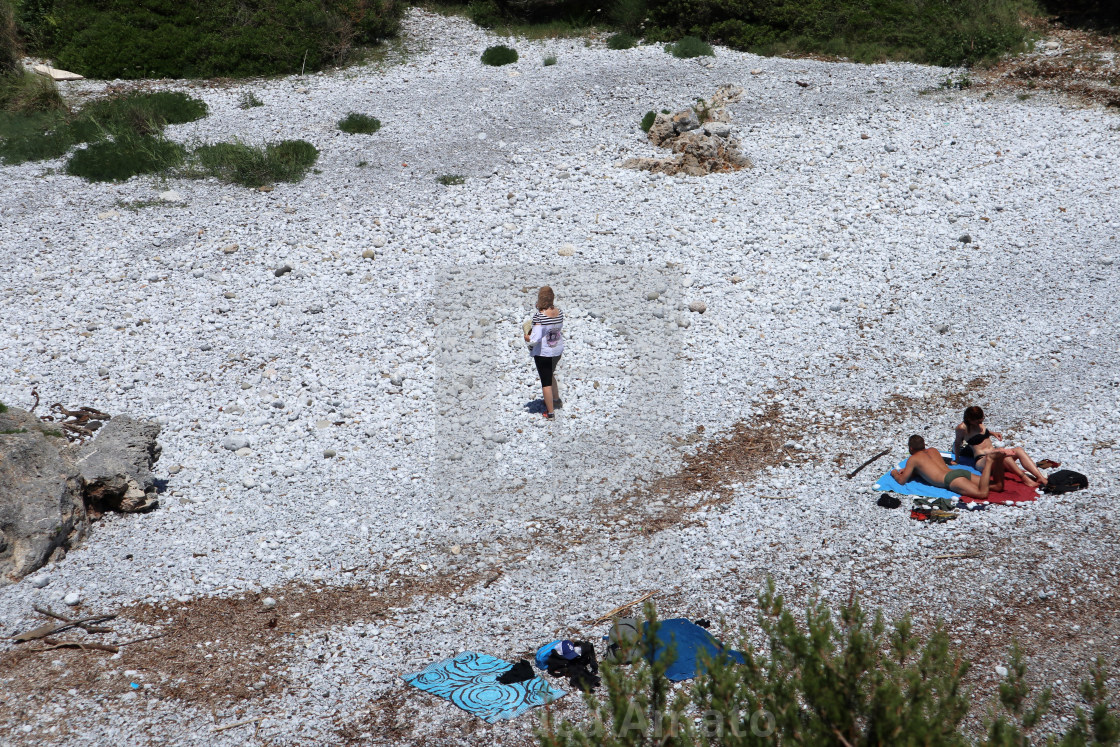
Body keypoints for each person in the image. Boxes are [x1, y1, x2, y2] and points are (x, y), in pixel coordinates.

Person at [952, 405, 1047, 488]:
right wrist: (956, 460)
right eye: (977, 422)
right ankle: (1025, 479)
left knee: (1018, 450)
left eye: (981, 420)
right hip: (983, 461)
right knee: (1003, 455)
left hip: (996, 455)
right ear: (970, 419)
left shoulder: (979, 422)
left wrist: (993, 433)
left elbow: (982, 433)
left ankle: (1040, 477)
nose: (980, 423)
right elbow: (957, 443)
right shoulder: (962, 428)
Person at [892, 435, 1005, 500]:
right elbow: (927, 468)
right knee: (997, 486)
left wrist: (894, 473)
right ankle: (999, 460)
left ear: (911, 449)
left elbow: (902, 481)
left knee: (982, 494)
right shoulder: (933, 450)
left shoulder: (913, 459)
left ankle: (989, 461)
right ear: (924, 445)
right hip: (959, 472)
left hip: (950, 480)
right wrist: (912, 471)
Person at [524, 285, 564, 419]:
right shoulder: (559, 312)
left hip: (544, 353)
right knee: (550, 373)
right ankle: (556, 400)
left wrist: (526, 336)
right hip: (557, 350)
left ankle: (550, 412)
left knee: (545, 382)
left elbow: (534, 339)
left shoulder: (539, 316)